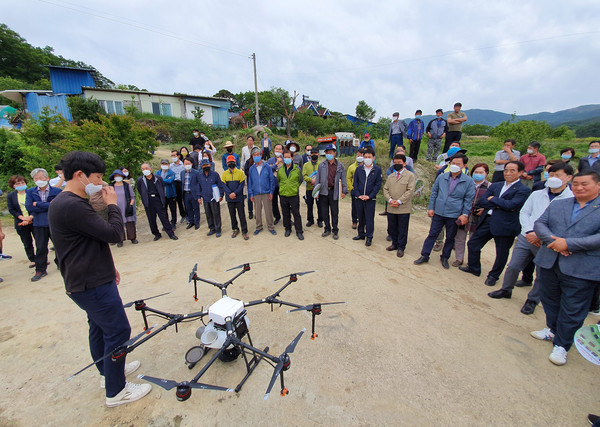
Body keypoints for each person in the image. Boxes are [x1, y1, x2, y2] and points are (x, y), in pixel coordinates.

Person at [48, 150, 150, 407]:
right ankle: (116, 391)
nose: (102, 182)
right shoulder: (71, 205)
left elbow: (91, 239)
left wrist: (109, 266)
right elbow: (114, 234)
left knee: (99, 327)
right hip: (90, 282)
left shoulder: (70, 202)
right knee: (118, 330)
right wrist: (113, 204)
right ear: (80, 175)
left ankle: (107, 372)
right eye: (98, 177)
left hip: (87, 277)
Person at [530, 170, 600, 366]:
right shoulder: (559, 204)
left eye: (584, 184)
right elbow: (540, 224)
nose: (579, 187)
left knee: (573, 308)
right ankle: (552, 330)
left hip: (582, 267)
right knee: (550, 299)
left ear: (598, 185)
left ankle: (562, 344)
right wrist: (554, 242)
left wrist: (569, 244)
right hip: (550, 260)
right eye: (576, 184)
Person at [488, 162, 574, 314]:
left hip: (549, 242)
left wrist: (543, 236)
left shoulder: (571, 199)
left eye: (557, 175)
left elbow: (566, 224)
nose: (553, 178)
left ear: (568, 177)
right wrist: (528, 231)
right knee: (513, 266)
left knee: (542, 273)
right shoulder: (537, 194)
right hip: (526, 237)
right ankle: (506, 289)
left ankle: (532, 300)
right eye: (551, 174)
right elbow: (524, 213)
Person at [460, 161, 531, 285]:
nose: (508, 173)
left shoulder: (523, 190)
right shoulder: (496, 186)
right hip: (488, 220)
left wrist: (493, 199)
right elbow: (482, 201)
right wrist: (501, 204)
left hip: (506, 224)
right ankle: (474, 267)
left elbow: (512, 205)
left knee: (501, 253)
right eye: (506, 170)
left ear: (520, 173)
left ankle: (493, 276)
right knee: (473, 243)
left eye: (512, 170)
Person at [414, 154, 475, 269]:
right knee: (432, 234)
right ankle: (425, 255)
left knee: (450, 237)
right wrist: (431, 207)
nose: (455, 166)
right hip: (439, 212)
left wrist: (464, 214)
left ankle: (445, 257)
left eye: (458, 164)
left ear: (464, 166)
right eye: (453, 163)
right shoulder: (442, 177)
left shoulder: (468, 181)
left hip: (454, 214)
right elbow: (434, 193)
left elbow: (468, 200)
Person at [26, 168, 62, 281]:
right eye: (36, 178)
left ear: (47, 178)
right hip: (39, 223)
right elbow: (29, 207)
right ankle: (40, 270)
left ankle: (61, 264)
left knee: (60, 245)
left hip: (54, 222)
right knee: (41, 247)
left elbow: (57, 206)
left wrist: (38, 204)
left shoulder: (57, 191)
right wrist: (47, 205)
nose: (38, 180)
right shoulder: (31, 191)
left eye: (41, 178)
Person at [452, 163, 490, 267]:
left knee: (473, 241)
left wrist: (485, 209)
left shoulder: (490, 187)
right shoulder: (466, 183)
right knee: (459, 238)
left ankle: (471, 261)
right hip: (463, 215)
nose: (478, 174)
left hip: (478, 218)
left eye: (481, 172)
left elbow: (492, 202)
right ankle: (459, 258)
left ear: (486, 173)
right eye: (476, 172)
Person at [383, 154, 415, 257]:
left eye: (399, 163)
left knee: (402, 229)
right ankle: (394, 244)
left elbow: (410, 190)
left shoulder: (410, 175)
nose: (396, 165)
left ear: (404, 163)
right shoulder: (391, 176)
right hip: (391, 206)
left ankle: (401, 247)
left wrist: (399, 201)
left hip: (403, 208)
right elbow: (385, 189)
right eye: (395, 163)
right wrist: (390, 200)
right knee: (392, 227)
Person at [136, 164, 178, 241]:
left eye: (146, 168)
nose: (145, 170)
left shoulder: (158, 178)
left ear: (150, 169)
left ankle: (171, 234)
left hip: (157, 199)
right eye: (143, 169)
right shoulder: (140, 180)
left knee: (164, 217)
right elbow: (140, 190)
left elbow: (162, 187)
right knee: (151, 219)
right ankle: (156, 234)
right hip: (148, 201)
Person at [315, 144, 347, 240]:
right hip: (323, 192)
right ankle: (327, 228)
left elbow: (343, 179)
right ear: (325, 153)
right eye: (327, 152)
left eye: (331, 152)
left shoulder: (340, 166)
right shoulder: (322, 165)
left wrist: (344, 191)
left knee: (334, 212)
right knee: (324, 211)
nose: (329, 153)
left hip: (334, 192)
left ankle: (335, 230)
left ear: (334, 153)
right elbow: (318, 179)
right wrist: (316, 192)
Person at [351, 147, 382, 246]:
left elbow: (378, 185)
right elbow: (355, 183)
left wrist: (370, 196)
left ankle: (369, 237)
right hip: (359, 198)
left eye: (369, 157)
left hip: (370, 199)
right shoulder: (359, 169)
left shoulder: (377, 170)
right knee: (361, 217)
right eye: (365, 157)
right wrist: (358, 195)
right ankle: (361, 234)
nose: (367, 158)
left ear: (373, 158)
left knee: (369, 219)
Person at [7, 175, 35, 268]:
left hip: (33, 220)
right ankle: (32, 259)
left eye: (22, 182)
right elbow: (11, 209)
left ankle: (41, 258)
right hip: (21, 222)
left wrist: (30, 217)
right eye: (18, 183)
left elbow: (35, 205)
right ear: (13, 185)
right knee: (27, 242)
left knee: (40, 241)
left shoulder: (31, 192)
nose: (21, 184)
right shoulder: (11, 196)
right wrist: (22, 218)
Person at [248, 147, 277, 235]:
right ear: (252, 156)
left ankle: (271, 226)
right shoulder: (251, 168)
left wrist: (271, 192)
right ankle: (259, 226)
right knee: (257, 211)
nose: (256, 156)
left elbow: (271, 180)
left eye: (258, 155)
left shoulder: (267, 166)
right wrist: (251, 194)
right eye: (254, 155)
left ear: (261, 155)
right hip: (256, 193)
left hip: (266, 192)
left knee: (268, 210)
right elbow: (250, 182)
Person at [277, 150, 304, 240]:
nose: (287, 159)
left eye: (289, 157)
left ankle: (299, 231)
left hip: (293, 195)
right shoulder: (280, 170)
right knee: (285, 213)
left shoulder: (297, 169)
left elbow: (300, 180)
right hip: (283, 195)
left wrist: (294, 187)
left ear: (292, 158)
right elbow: (279, 181)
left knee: (296, 213)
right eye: (285, 157)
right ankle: (287, 229)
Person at [222, 155, 248, 240]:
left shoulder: (240, 173)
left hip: (239, 197)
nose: (231, 163)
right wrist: (230, 193)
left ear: (235, 162)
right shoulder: (224, 174)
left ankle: (244, 231)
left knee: (242, 215)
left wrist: (235, 193)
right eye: (229, 162)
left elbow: (241, 185)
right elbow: (224, 185)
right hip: (230, 198)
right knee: (232, 215)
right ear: (227, 163)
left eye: (232, 162)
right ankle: (235, 229)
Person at [109, 169, 138, 246]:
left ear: (122, 176)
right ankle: (120, 240)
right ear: (114, 177)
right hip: (116, 207)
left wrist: (131, 205)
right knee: (118, 223)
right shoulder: (111, 186)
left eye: (119, 176)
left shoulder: (127, 186)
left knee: (130, 222)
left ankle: (133, 238)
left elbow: (133, 196)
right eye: (116, 176)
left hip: (127, 206)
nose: (118, 177)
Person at [198, 159, 225, 237]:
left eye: (207, 165)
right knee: (208, 214)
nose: (206, 166)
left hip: (214, 197)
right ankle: (211, 228)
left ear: (210, 165)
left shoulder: (215, 174)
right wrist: (199, 197)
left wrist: (221, 195)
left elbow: (220, 185)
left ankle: (218, 229)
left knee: (216, 213)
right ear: (201, 166)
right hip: (205, 198)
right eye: (204, 165)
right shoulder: (200, 176)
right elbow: (199, 187)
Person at [303, 147, 322, 228]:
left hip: (319, 189)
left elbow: (324, 176)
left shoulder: (322, 164)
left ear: (319, 154)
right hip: (309, 188)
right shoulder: (306, 165)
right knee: (309, 205)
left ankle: (320, 220)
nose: (314, 155)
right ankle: (310, 220)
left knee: (320, 205)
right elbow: (304, 176)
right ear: (310, 154)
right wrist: (311, 180)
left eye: (316, 153)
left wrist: (317, 181)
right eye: (312, 153)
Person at [180, 157, 201, 230]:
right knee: (188, 208)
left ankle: (197, 222)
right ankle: (191, 221)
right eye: (185, 164)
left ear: (191, 164)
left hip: (193, 193)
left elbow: (198, 184)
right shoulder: (182, 173)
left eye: (188, 163)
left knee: (196, 208)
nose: (187, 165)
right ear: (183, 164)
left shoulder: (196, 172)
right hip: (186, 193)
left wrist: (198, 195)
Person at [347, 149, 365, 229]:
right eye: (358, 155)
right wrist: (351, 188)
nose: (359, 157)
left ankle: (363, 222)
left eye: (361, 155)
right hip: (355, 190)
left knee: (364, 207)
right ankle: (354, 221)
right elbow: (348, 178)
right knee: (354, 206)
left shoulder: (367, 167)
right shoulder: (351, 167)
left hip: (364, 190)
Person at [156, 159, 177, 229]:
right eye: (163, 164)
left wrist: (160, 180)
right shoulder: (157, 173)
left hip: (171, 194)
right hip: (162, 196)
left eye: (166, 164)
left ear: (168, 165)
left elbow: (170, 181)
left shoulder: (171, 172)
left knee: (173, 210)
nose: (164, 165)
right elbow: (156, 182)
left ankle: (173, 223)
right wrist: (165, 180)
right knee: (164, 210)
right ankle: (166, 224)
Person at [267, 143, 284, 225]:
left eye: (279, 149)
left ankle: (287, 217)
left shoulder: (286, 159)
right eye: (276, 149)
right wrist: (276, 164)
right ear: (274, 150)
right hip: (273, 185)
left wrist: (282, 162)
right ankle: (277, 217)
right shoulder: (270, 160)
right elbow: (268, 170)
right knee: (274, 202)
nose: (278, 150)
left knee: (284, 202)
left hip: (283, 185)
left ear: (282, 151)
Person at [169, 150, 187, 223]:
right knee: (178, 200)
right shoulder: (170, 166)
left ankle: (188, 214)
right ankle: (183, 215)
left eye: (174, 155)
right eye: (172, 156)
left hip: (182, 183)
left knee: (185, 199)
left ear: (178, 156)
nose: (173, 157)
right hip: (175, 183)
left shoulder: (183, 165)